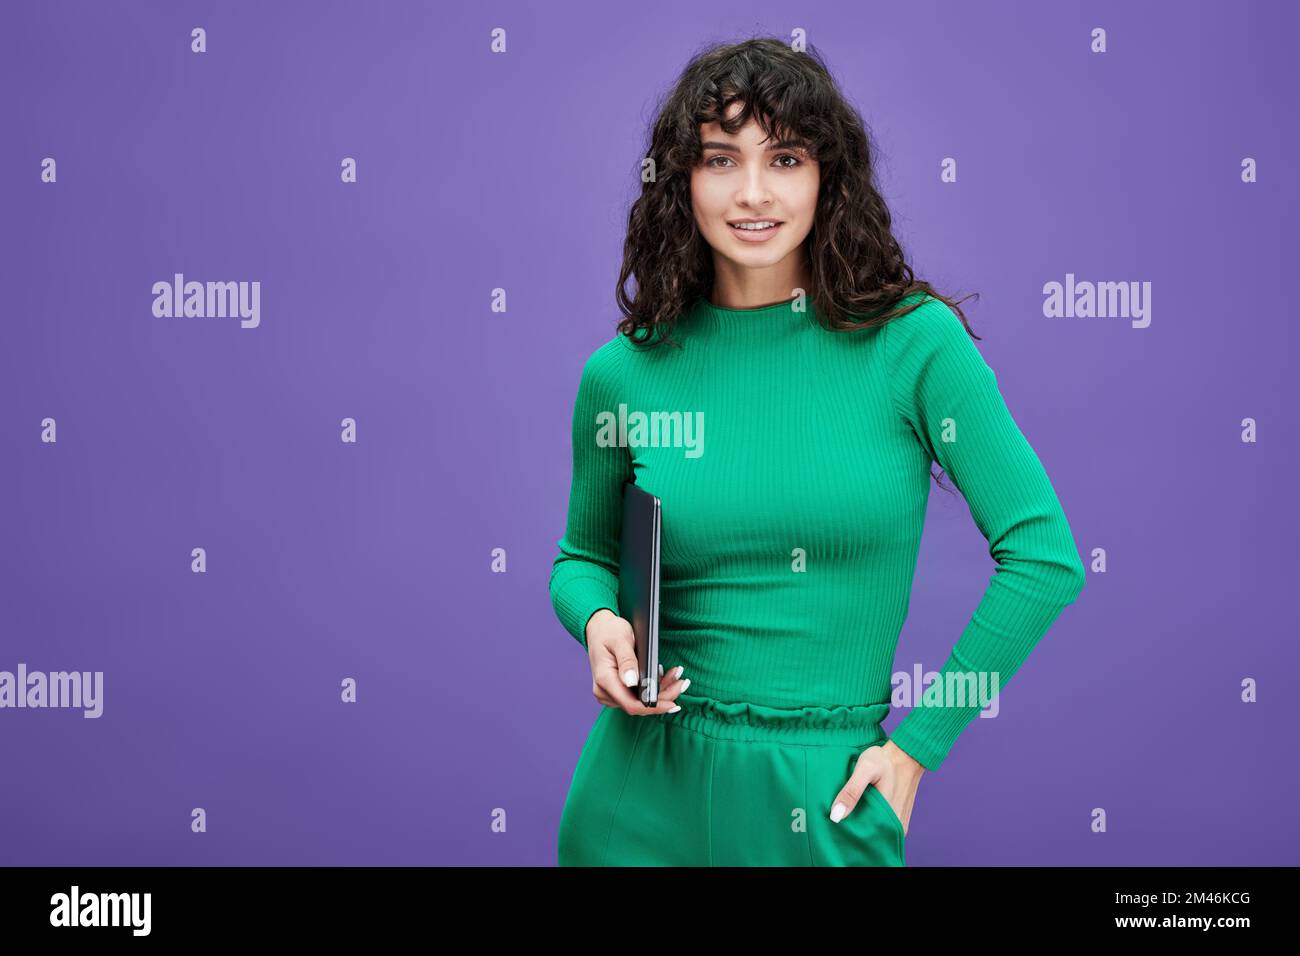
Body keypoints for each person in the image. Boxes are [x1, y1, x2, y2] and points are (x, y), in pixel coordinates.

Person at [548, 37, 1086, 866]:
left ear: (827, 178)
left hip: (822, 794)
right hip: (638, 795)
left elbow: (1045, 557)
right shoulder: (623, 374)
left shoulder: (914, 347)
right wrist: (597, 622)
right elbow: (580, 555)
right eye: (720, 160)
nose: (752, 193)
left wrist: (918, 747)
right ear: (680, 181)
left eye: (786, 157)